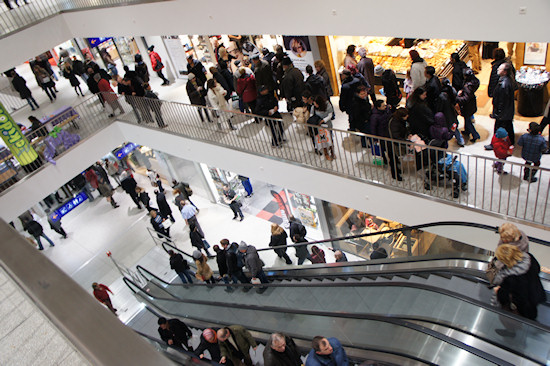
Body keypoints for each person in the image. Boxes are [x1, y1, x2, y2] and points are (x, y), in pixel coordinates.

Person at [491, 245, 546, 320]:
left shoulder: (510, 276)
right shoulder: (529, 257)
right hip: (536, 293)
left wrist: (498, 291)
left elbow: (505, 295)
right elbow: (538, 269)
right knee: (532, 314)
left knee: (525, 319)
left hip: (523, 305)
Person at [489, 63, 516, 148]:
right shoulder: (508, 80)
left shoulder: (503, 84)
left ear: (504, 72)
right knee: (508, 125)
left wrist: (497, 113)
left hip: (502, 112)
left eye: (500, 69)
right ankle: (511, 141)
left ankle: (495, 144)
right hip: (508, 111)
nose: (497, 70)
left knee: (498, 127)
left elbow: (501, 101)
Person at [456, 68, 481, 143]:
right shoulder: (474, 81)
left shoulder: (467, 86)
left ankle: (475, 135)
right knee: (467, 119)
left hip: (467, 106)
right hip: (472, 104)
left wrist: (457, 97)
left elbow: (465, 99)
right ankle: (467, 131)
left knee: (468, 121)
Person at [387, 108, 410, 181]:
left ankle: (397, 170)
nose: (407, 117)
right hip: (391, 144)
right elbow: (396, 136)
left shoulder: (399, 121)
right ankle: (395, 175)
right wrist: (406, 142)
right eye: (406, 116)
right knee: (393, 159)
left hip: (395, 143)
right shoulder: (394, 123)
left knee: (396, 159)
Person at [312, 95, 335, 160]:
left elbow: (330, 115)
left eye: (316, 104)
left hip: (327, 125)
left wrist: (323, 120)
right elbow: (312, 115)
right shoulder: (313, 107)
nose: (315, 105)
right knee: (323, 141)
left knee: (330, 139)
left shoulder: (328, 105)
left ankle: (332, 152)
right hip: (319, 127)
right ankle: (326, 154)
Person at [370, 100, 392, 164]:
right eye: (383, 106)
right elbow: (373, 128)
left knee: (390, 149)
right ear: (378, 107)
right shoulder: (374, 117)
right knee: (382, 149)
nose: (385, 107)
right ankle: (384, 160)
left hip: (388, 133)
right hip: (381, 135)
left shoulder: (387, 111)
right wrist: (375, 139)